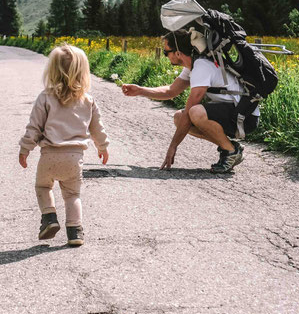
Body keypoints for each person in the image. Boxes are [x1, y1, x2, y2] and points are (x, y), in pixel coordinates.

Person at [19, 44, 109, 246]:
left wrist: (25, 149)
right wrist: (102, 147)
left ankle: (49, 218)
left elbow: (34, 127)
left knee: (43, 186)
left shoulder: (45, 98)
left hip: (49, 155)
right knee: (72, 194)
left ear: (52, 70)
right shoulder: (88, 101)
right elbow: (97, 128)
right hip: (74, 158)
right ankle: (75, 231)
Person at [121, 30, 246, 173]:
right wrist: (141, 90)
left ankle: (230, 151)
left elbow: (191, 108)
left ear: (178, 53)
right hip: (230, 112)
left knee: (195, 112)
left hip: (243, 116)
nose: (165, 55)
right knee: (179, 118)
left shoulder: (201, 67)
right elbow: (171, 91)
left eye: (166, 52)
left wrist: (173, 146)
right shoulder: (192, 66)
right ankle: (230, 147)